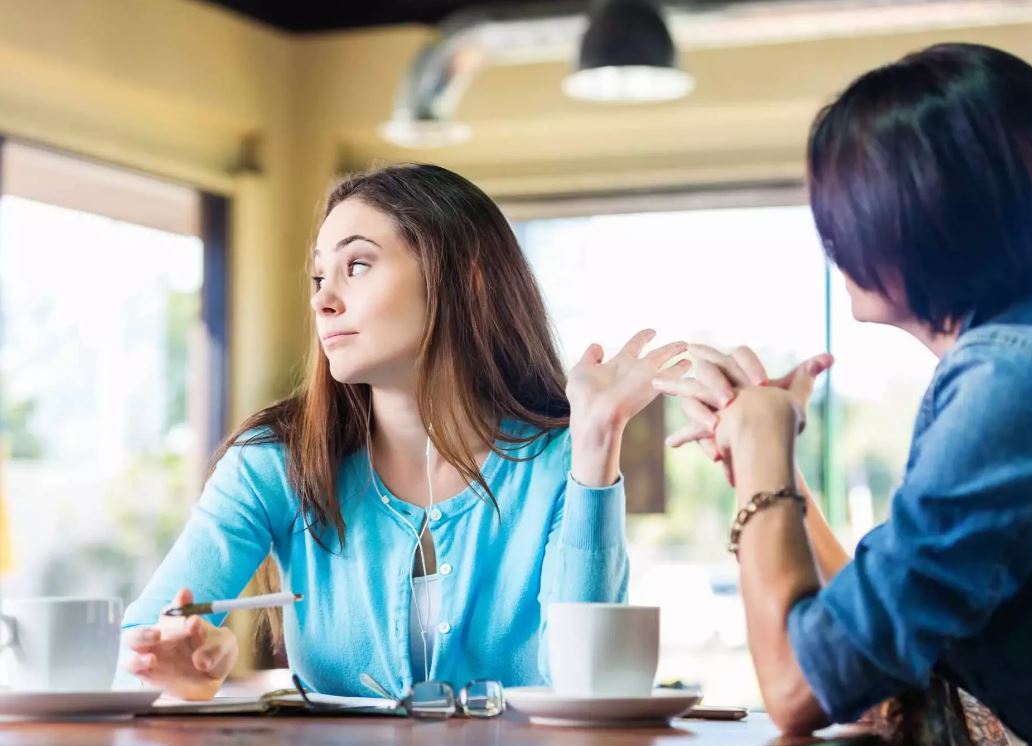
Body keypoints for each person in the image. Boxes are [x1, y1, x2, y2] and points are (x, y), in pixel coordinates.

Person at [658, 43, 1032, 746]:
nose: (832, 240)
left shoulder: (1013, 385)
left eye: (843, 209)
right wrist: (764, 453)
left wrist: (763, 453)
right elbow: (866, 626)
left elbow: (799, 687)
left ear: (919, 215)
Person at [120, 163, 688, 701]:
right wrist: (177, 659)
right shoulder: (274, 462)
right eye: (319, 275)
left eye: (357, 265)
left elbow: (589, 683)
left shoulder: (561, 464)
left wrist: (595, 444)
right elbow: (146, 634)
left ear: (465, 278)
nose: (322, 298)